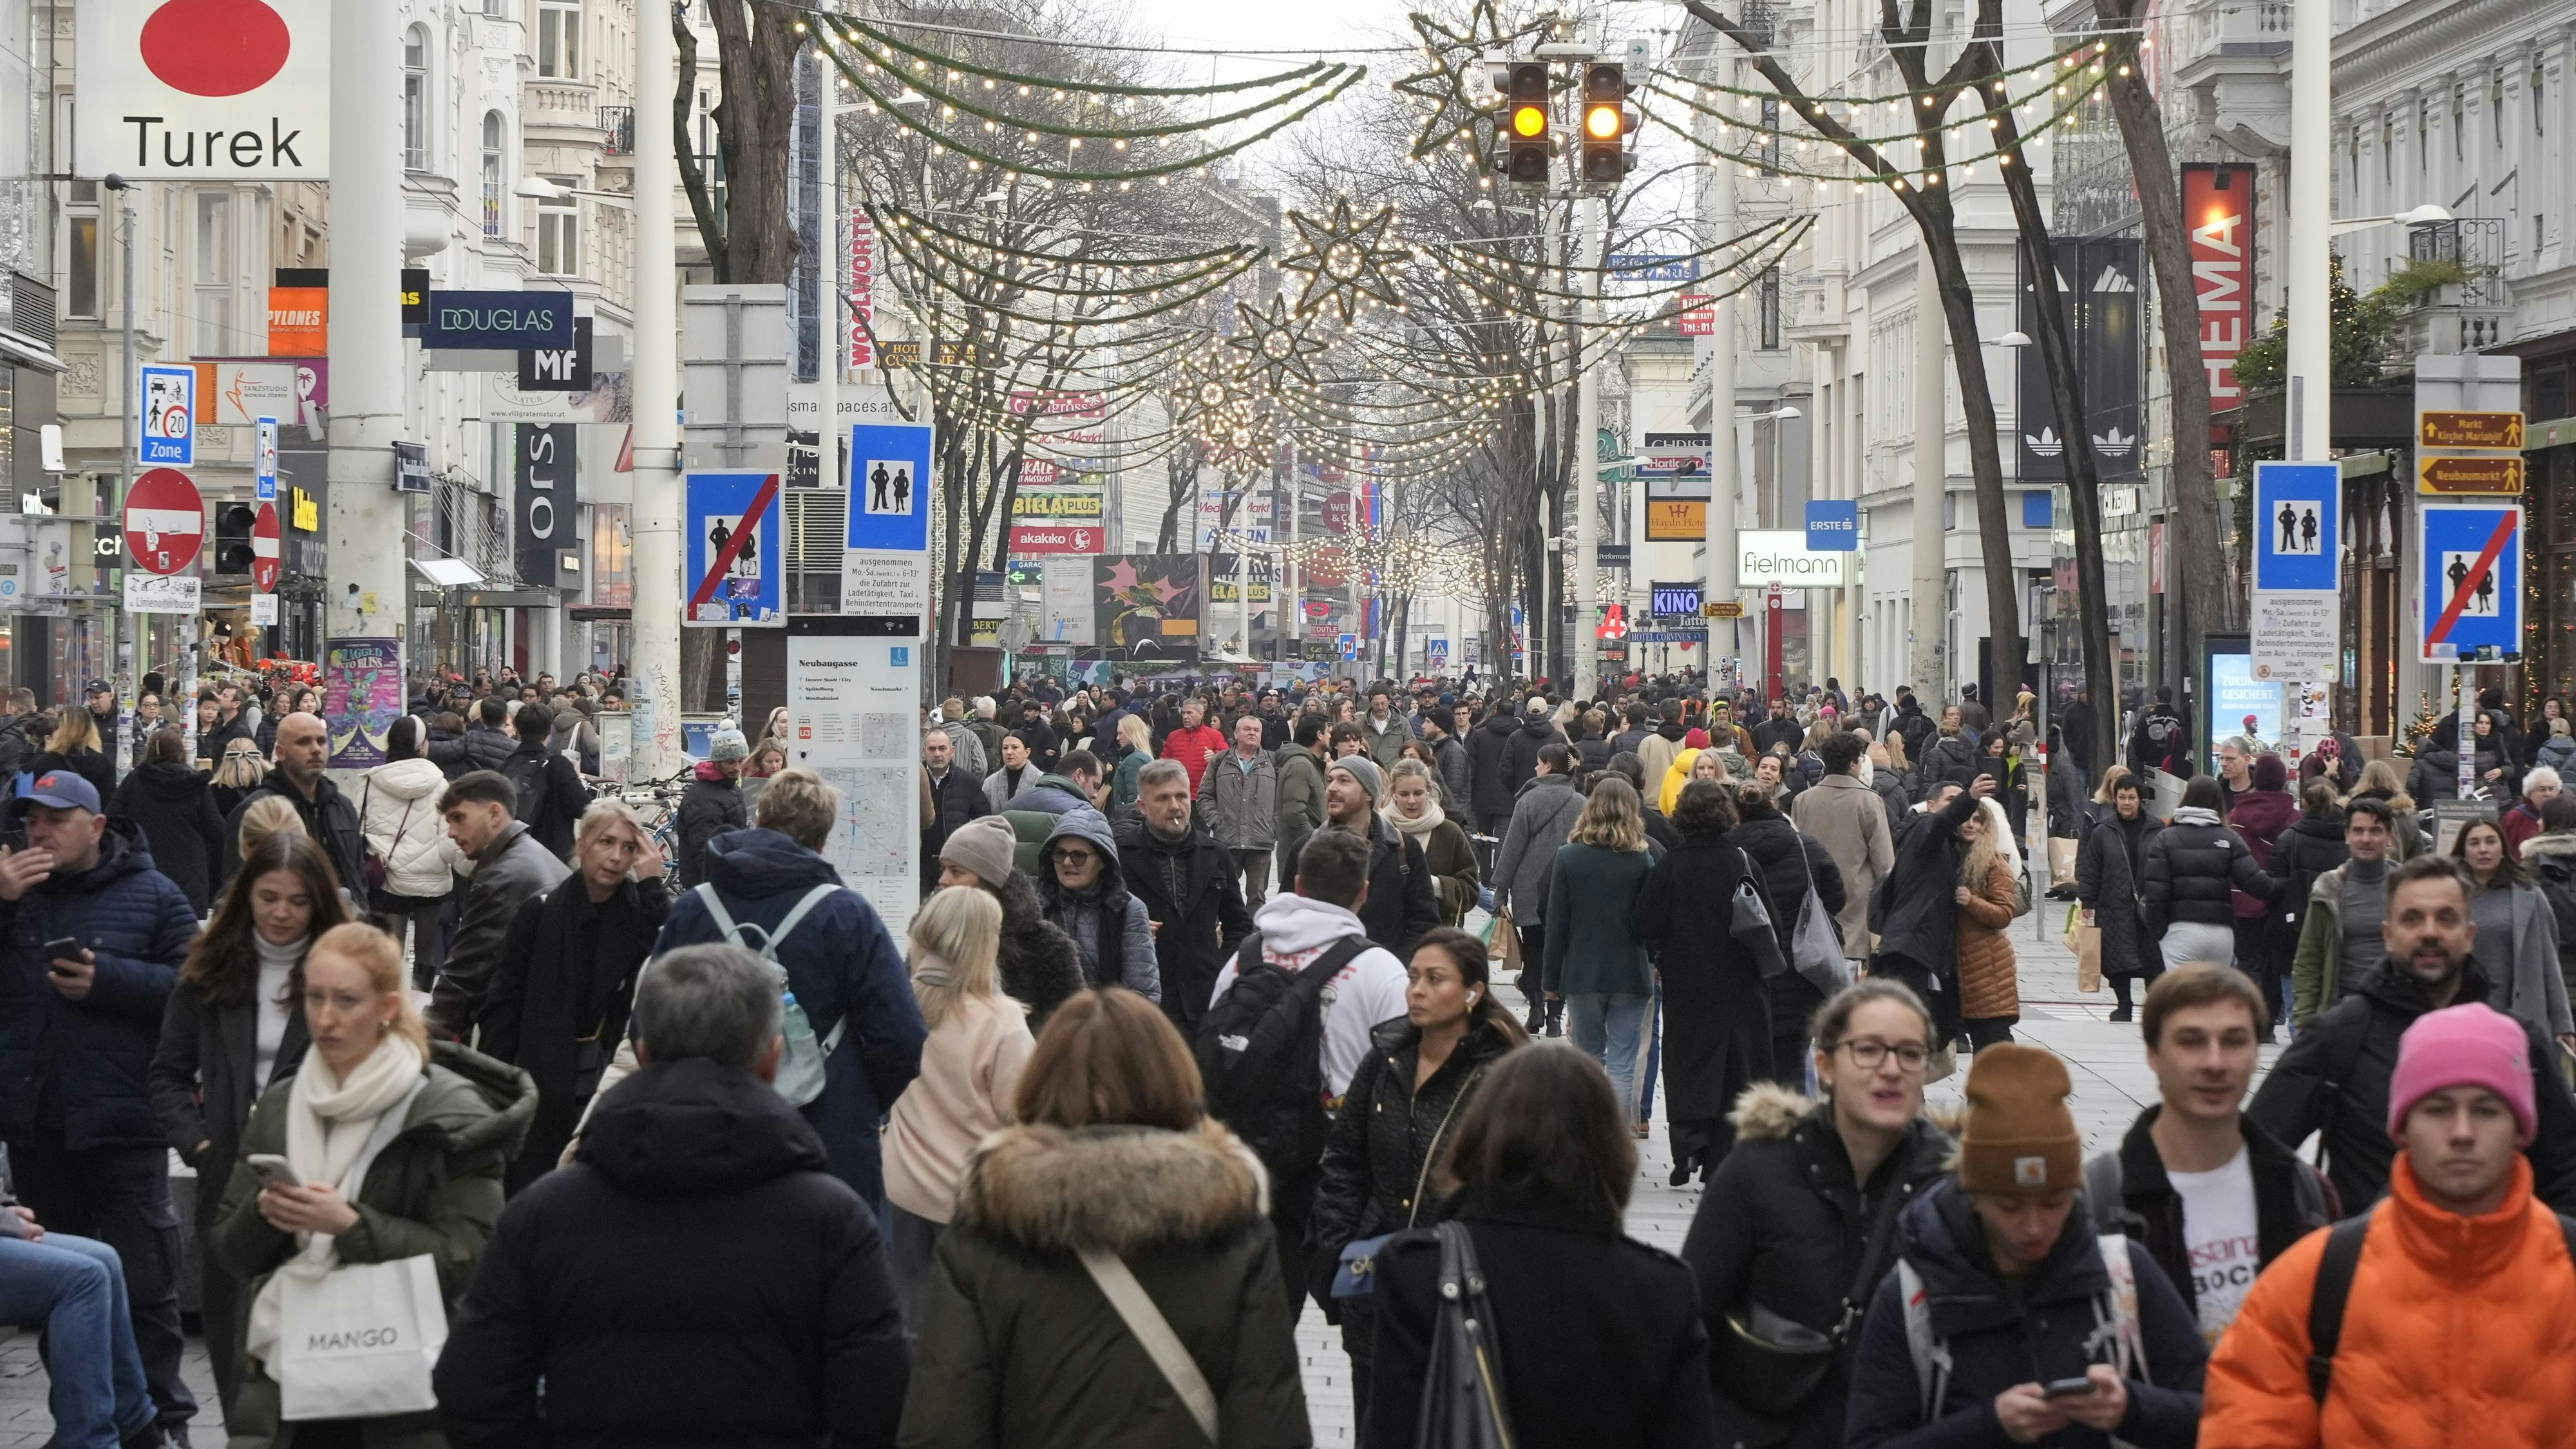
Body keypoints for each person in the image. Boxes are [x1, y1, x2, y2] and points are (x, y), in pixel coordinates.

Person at [437, 942, 908, 1448]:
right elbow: (877, 1401)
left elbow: (473, 1389)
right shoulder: (832, 1223)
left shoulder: (542, 1214)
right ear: (772, 1061)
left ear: (642, 1054)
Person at [894, 988, 1311, 1449]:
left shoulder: (987, 1231)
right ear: (1175, 1080)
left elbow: (943, 1424)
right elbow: (1271, 1422)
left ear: (1040, 1083)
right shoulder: (1233, 1230)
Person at [212, 922, 533, 1448]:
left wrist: (352, 1226)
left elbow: (472, 1258)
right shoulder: (282, 1105)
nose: (325, 1018)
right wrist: (265, 1212)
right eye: (314, 997)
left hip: (401, 1391)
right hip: (288, 1384)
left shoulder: (444, 1112)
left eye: (346, 1000)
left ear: (387, 1007)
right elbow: (229, 1251)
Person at [2204, 1003, 2576, 1448]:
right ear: (2401, 1127)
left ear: (2522, 1128)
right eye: (2437, 1109)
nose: (2461, 1131)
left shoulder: (2567, 1270)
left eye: (2487, 1110)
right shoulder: (2313, 1280)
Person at [1844, 1042, 2208, 1449]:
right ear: (1974, 1195)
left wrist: (2132, 1408)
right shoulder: (1911, 1296)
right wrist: (1987, 1426)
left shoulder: (2125, 1272)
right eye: (2010, 1206)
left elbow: (2220, 1413)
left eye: (2054, 1202)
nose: (2034, 1227)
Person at [1364, 1043, 1717, 1448]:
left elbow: (1392, 1430)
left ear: (1482, 1135)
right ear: (1609, 1149)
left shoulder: (1419, 1272)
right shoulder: (1661, 1289)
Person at [0, 768, 200, 1441]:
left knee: (145, 1283)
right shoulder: (16, 897)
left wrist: (108, 980)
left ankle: (161, 1418)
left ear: (94, 827)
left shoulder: (153, 893)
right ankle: (83, 1416)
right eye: (30, 820)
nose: (38, 832)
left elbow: (194, 989)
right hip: (38, 1125)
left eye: (54, 819)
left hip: (122, 1122)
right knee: (66, 1289)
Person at [625, 770, 927, 1208]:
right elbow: (902, 1037)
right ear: (823, 841)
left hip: (701, 1134)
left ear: (758, 820)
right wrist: (854, 1096)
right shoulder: (848, 916)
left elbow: (645, 1027)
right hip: (826, 1139)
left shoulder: (694, 909)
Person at [1682, 980, 1954, 1449]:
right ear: (1825, 1066)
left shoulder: (1950, 1183)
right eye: (1868, 1050)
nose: (1891, 1069)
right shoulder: (1758, 1171)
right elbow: (1689, 1321)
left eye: (1911, 1054)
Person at [2255, 853, 2576, 1213]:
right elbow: (2259, 1152)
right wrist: (2317, 1247)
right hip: (2373, 1260)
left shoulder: (2520, 1042)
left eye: (2446, 918)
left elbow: (2565, 1169)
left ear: (2469, 935)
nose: (2429, 932)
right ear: (2388, 935)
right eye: (2413, 919)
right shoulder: (2340, 1035)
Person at [146, 831, 346, 1410]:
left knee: (312, 1363)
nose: (282, 913)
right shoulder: (210, 968)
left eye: (298, 900)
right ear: (246, 897)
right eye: (268, 897)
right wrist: (200, 1147)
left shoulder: (341, 970)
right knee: (237, 1358)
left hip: (321, 1180)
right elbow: (167, 1075)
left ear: (319, 902)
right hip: (229, 1182)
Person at [1308, 927, 1524, 1422]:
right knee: (1376, 1420)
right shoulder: (1386, 1059)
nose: (1417, 991)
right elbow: (1343, 1161)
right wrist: (1333, 1251)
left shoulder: (1501, 1075)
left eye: (1434, 979)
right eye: (1412, 978)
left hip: (1463, 1289)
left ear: (1473, 992)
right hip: (1377, 1280)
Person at [2086, 965, 2334, 1357]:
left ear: (2256, 1052)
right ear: (2153, 1054)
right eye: (2192, 1042)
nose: (2215, 1063)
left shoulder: (2304, 1191)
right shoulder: (2099, 1197)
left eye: (2234, 1041)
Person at [1209, 828, 1412, 1307]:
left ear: (1297, 886)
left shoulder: (1246, 958)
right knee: (1364, 1322)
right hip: (1341, 1170)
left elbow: (1215, 1038)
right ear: (1363, 894)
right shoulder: (1381, 971)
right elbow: (1405, 1073)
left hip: (1255, 1156)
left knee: (1267, 1318)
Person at [476, 799, 669, 1193]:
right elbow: (504, 1004)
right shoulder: (540, 913)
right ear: (583, 844)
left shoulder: (637, 913)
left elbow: (667, 965)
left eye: (629, 848)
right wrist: (499, 1083)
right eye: (606, 842)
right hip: (543, 1072)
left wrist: (652, 886)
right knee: (535, 1180)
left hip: (610, 1068)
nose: (616, 857)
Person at [883, 887, 1034, 1335]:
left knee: (911, 1320)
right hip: (973, 1200)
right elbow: (1024, 1114)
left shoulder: (897, 1005)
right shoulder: (1001, 1020)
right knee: (970, 1331)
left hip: (902, 1187)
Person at [1631, 781, 1778, 1184]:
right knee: (1735, 1066)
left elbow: (1645, 922)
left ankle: (1687, 1143)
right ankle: (1721, 1157)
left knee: (1687, 1062)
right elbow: (1771, 925)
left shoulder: (1671, 865)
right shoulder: (1743, 862)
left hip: (1687, 981)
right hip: (1739, 981)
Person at [1540, 776, 1660, 1124]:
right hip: (1631, 972)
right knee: (1622, 1064)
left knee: (1588, 1060)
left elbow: (1556, 925)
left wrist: (1550, 980)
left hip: (1582, 972)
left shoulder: (1568, 857)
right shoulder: (1642, 860)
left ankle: (1586, 1137)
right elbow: (1650, 921)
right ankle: (1618, 1140)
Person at [427, 771, 571, 1041]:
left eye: (459, 818)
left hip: (522, 1032)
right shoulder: (531, 853)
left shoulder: (501, 877)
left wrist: (426, 1032)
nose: (452, 833)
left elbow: (466, 974)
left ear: (495, 814)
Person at [1735, 781, 1848, 1081]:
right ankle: (1794, 1125)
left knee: (1751, 1070)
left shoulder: (1732, 852)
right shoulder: (1805, 845)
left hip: (1749, 971)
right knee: (1793, 1066)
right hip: (1801, 970)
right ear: (1774, 808)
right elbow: (1837, 899)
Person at [935, 814, 1088, 1031]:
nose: (944, 880)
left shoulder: (1045, 946)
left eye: (957, 871)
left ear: (989, 882)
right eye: (943, 869)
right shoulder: (932, 936)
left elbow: (1072, 1026)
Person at [2449, 816, 2575, 1045]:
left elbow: (2549, 962)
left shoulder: (2529, 895)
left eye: (2490, 841)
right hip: (2463, 1015)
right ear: (2463, 851)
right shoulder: (2449, 897)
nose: (2483, 850)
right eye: (2474, 843)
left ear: (2503, 848)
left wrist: (2563, 1023)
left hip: (2519, 1015)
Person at [359, 714, 462, 990]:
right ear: (420, 746)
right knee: (426, 953)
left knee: (391, 951)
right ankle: (421, 1002)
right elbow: (448, 836)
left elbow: (362, 826)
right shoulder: (440, 784)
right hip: (431, 876)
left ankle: (391, 1002)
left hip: (389, 877)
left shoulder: (372, 781)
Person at [1491, 742, 1587, 1036]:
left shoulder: (1528, 801)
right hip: (1568, 890)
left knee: (1534, 950)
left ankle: (1535, 1011)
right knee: (1562, 953)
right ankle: (1556, 1017)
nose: (1535, 768)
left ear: (1547, 765)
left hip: (1529, 887)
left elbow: (1513, 849)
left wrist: (1500, 889)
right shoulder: (1581, 803)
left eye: (1538, 763)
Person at [221, 712, 367, 898]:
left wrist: (359, 912)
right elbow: (232, 889)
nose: (316, 749)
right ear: (281, 752)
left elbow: (358, 876)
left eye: (321, 741)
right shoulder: (257, 809)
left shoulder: (342, 806)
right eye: (304, 742)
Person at [2142, 776, 2277, 971]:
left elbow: (2157, 892)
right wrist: (2284, 880)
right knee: (2213, 997)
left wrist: (2159, 932)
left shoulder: (2165, 838)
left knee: (2183, 997)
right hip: (2221, 933)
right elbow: (2257, 884)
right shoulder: (2229, 838)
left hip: (2181, 931)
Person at [2287, 796, 2401, 1025]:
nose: (2366, 839)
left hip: (2395, 1013)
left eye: (2375, 831)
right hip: (2341, 1013)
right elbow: (2309, 959)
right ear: (2347, 835)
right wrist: (2303, 1021)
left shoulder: (2408, 887)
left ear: (2389, 836)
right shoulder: (2328, 889)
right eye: (2358, 831)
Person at [1318, 756, 1440, 960]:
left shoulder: (1404, 849)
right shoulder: (1308, 847)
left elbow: (1425, 922)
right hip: (1324, 978)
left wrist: (1394, 969)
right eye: (1330, 780)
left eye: (1344, 781)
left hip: (1387, 977)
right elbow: (1291, 918)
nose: (1332, 788)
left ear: (1368, 792)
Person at [1036, 809, 1160, 999]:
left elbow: (1143, 993)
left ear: (1103, 860)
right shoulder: (1036, 905)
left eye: (1079, 856)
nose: (1067, 862)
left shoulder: (1128, 910)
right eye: (1060, 854)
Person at [1795, 730, 1893, 971]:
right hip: (1857, 897)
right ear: (1853, 763)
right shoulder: (1869, 800)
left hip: (1812, 894)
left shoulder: (1803, 800)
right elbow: (1885, 862)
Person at [109, 726, 227, 917]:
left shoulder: (135, 781)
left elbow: (113, 820)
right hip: (190, 872)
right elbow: (217, 831)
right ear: (181, 752)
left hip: (144, 869)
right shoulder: (196, 784)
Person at [2079, 772, 2166, 1022]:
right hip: (2114, 905)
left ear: (2140, 800)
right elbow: (2091, 867)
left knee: (2153, 958)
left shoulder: (2157, 829)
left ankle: (2154, 1007)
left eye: (2131, 797)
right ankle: (2124, 1005)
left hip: (2149, 905)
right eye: (2121, 797)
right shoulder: (2103, 831)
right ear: (2114, 799)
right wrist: (2087, 899)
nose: (2126, 803)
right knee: (2118, 959)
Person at [2263, 781, 2350, 1029]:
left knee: (2296, 1003)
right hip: (2337, 927)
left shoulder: (2290, 838)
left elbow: (2273, 884)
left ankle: (2301, 1051)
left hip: (2293, 928)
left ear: (2305, 805)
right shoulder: (2347, 839)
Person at [1953, 794, 2023, 1051]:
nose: (1970, 825)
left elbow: (2004, 913)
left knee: (1993, 1046)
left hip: (1986, 967)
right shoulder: (1950, 857)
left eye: (1977, 820)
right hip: (1958, 968)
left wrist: (1971, 901)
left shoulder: (1995, 864)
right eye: (1966, 819)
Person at [1198, 712, 1280, 914]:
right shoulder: (1219, 761)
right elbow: (1204, 796)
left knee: (1257, 899)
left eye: (1256, 730)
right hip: (1228, 841)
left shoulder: (1273, 762)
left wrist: (1274, 827)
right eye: (1247, 729)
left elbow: (1283, 800)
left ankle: (1253, 939)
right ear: (1236, 734)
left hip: (1261, 842)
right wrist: (1217, 822)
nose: (1252, 733)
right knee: (1222, 895)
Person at [1384, 758, 1479, 927]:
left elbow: (1470, 891)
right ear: (1394, 793)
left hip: (1435, 935)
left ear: (1428, 791)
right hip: (1387, 934)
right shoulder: (1379, 830)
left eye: (1418, 793)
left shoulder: (1449, 832)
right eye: (1404, 794)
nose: (1411, 801)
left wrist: (1434, 885)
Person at [498, 701, 588, 860]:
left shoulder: (504, 768)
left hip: (514, 857)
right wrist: (578, 778)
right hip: (554, 858)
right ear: (550, 730)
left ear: (517, 730)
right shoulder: (558, 766)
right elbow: (583, 808)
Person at [676, 726, 750, 889]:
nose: (737, 767)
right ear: (717, 762)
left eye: (741, 760)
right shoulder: (703, 799)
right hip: (709, 885)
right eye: (730, 761)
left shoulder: (728, 788)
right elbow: (704, 852)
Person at [922, 726, 992, 896]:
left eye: (942, 748)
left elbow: (983, 823)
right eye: (932, 749)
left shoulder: (969, 782)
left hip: (955, 866)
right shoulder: (913, 780)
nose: (937, 754)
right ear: (924, 752)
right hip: (920, 865)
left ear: (952, 751)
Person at [1273, 713, 1331, 895]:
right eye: (1328, 732)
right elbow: (1294, 812)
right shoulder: (1301, 765)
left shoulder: (1309, 763)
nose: (1331, 736)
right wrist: (1315, 843)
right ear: (1319, 735)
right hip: (1302, 856)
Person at [29, 705, 114, 808]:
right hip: (87, 820)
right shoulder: (103, 763)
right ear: (91, 729)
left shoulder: (45, 762)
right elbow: (107, 804)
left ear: (60, 729)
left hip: (54, 819)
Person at [1159, 696, 1229, 796]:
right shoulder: (1173, 736)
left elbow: (1227, 757)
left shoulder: (1215, 735)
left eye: (1189, 713)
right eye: (1183, 713)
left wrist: (1215, 755)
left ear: (1201, 714)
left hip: (1204, 795)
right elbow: (1163, 761)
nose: (1185, 717)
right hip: (1178, 794)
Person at [984, 730, 1040, 812]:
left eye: (1015, 747)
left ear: (1027, 752)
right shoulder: (990, 782)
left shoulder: (1040, 781)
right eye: (1005, 748)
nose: (1009, 752)